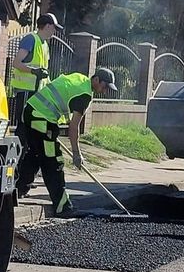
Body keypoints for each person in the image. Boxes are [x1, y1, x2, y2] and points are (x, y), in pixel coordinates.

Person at [15, 68, 118, 216]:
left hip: (32, 112)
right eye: (104, 86)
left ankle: (17, 191)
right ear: (96, 80)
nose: (105, 90)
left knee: (36, 156)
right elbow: (74, 128)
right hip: (41, 118)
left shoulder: (79, 78)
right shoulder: (84, 95)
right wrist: (76, 154)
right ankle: (62, 206)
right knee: (53, 162)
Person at [8, 13, 62, 124]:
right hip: (25, 91)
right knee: (24, 123)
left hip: (38, 92)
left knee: (32, 125)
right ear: (47, 26)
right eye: (54, 28)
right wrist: (34, 71)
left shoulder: (45, 45)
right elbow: (16, 63)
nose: (54, 31)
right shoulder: (30, 39)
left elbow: (43, 70)